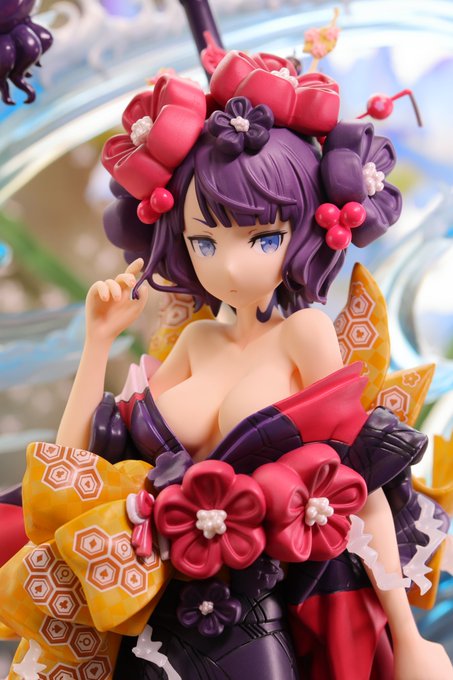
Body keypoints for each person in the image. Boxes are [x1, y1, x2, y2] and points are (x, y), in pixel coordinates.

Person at [2, 57, 452, 680]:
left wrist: (407, 637)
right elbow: (76, 466)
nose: (229, 266)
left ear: (307, 229)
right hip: (153, 610)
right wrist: (97, 342)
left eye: (262, 238)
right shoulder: (196, 340)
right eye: (204, 242)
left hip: (259, 616)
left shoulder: (304, 334)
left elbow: (357, 485)